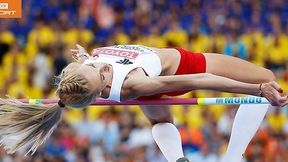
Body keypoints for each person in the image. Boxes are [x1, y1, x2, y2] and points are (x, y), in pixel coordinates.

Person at [0, 44, 287, 161]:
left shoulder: (90, 68)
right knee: (266, 77)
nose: (101, 66)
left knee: (161, 121)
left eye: (92, 65)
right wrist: (258, 88)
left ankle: (178, 159)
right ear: (102, 89)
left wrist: (86, 58)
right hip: (183, 68)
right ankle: (233, 158)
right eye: (99, 72)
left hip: (152, 79)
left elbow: (91, 66)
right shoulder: (134, 84)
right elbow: (200, 79)